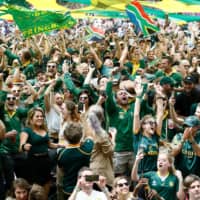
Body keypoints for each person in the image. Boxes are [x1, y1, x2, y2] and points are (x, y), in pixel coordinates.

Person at [19, 107, 62, 195]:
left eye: (41, 116)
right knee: (35, 188)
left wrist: (60, 145)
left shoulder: (44, 130)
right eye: (37, 116)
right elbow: (20, 147)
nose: (40, 118)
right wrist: (24, 146)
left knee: (47, 184)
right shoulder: (27, 130)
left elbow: (49, 145)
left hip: (46, 160)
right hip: (34, 162)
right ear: (31, 119)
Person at [57, 122, 94, 199]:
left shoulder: (61, 153)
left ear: (65, 137)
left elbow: (61, 172)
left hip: (68, 190)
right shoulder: (87, 149)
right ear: (81, 136)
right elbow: (90, 137)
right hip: (84, 188)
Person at [87, 105, 114, 188]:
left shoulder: (85, 130)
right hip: (100, 172)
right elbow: (108, 152)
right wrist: (113, 138)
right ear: (101, 118)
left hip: (89, 170)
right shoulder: (101, 134)